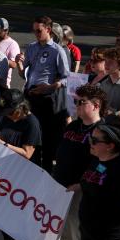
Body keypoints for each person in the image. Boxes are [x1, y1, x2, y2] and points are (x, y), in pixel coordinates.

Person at [46, 84, 107, 240]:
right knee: (67, 235)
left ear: (96, 105)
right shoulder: (74, 126)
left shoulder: (103, 131)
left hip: (84, 194)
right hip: (63, 189)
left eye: (81, 102)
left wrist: (81, 185)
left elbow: (103, 166)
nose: (77, 106)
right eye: (77, 101)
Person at [0, 88, 42, 240]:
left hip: (24, 177)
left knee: (14, 219)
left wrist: (3, 145)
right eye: (6, 113)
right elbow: (2, 136)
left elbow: (28, 153)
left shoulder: (31, 123)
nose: (9, 116)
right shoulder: (5, 119)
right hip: (6, 173)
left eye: (11, 113)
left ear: (21, 108)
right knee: (1, 215)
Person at [15, 16, 70, 172]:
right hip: (30, 95)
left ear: (48, 29)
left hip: (46, 98)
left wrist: (50, 87)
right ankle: (31, 168)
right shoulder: (32, 47)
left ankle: (45, 170)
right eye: (34, 31)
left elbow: (66, 78)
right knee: (31, 133)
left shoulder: (57, 50)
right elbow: (23, 74)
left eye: (39, 30)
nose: (36, 34)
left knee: (45, 136)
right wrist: (19, 63)